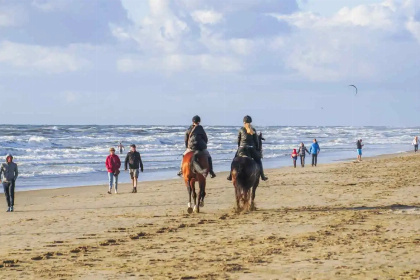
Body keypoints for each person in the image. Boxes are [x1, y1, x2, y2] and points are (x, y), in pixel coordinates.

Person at [227, 115, 268, 181]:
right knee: (258, 161)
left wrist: (239, 148)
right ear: (250, 122)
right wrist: (257, 149)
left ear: (244, 122)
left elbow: (238, 140)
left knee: (234, 160)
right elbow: (256, 141)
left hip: (242, 148)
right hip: (251, 149)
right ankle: (262, 176)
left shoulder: (241, 129)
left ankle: (230, 175)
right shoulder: (253, 130)